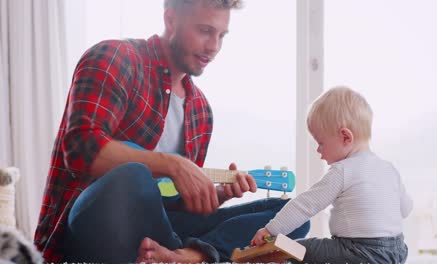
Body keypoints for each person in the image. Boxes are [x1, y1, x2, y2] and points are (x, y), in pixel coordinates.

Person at [33, 0, 309, 263]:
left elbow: (171, 204)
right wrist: (173, 165)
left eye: (222, 35)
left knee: (293, 215)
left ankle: (190, 256)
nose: (213, 47)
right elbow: (81, 149)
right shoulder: (116, 57)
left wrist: (214, 195)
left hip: (156, 232)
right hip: (89, 225)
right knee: (134, 174)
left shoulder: (200, 110)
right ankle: (181, 252)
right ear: (171, 19)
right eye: (204, 31)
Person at [251, 86, 413, 264]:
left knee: (298, 250)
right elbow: (406, 209)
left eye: (321, 143)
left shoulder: (343, 170)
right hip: (397, 252)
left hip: (359, 252)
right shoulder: (388, 168)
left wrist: (271, 230)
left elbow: (305, 205)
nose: (318, 150)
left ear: (345, 137)